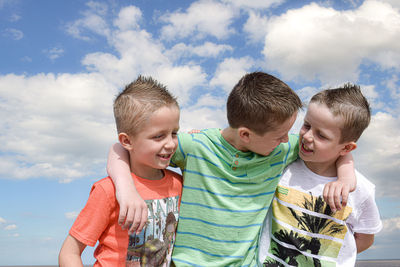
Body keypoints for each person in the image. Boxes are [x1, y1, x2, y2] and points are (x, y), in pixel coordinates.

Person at [107, 72, 356, 266]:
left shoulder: (279, 150)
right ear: (246, 134)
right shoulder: (195, 147)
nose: (288, 140)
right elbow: (121, 148)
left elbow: (339, 150)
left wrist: (345, 176)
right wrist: (126, 189)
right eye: (280, 135)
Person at [59, 76, 183, 266]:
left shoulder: (179, 184)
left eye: (174, 133)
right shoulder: (107, 191)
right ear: (127, 141)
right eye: (158, 136)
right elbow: (70, 253)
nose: (170, 143)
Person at [258, 84, 382, 266]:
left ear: (346, 148)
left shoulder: (360, 189)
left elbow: (365, 238)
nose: (307, 136)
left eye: (321, 135)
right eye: (306, 125)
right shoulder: (282, 165)